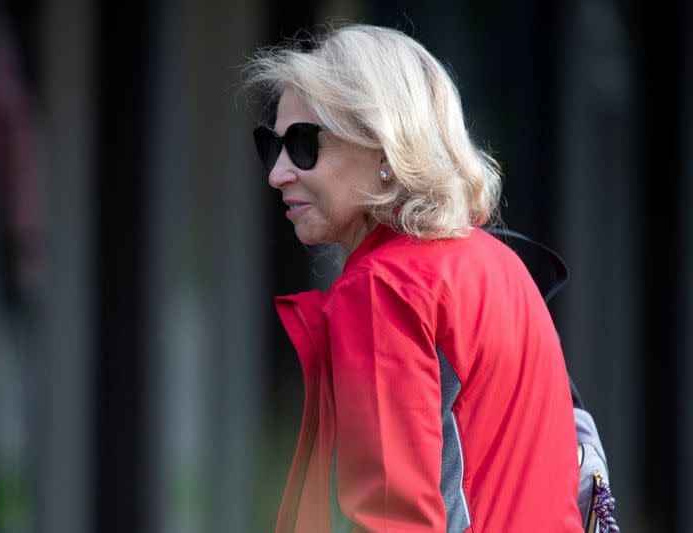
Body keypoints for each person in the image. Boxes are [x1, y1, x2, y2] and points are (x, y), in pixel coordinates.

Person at [245, 24, 583, 532]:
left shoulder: (382, 288)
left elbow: (394, 521)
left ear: (386, 149)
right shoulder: (500, 264)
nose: (278, 173)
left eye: (304, 143)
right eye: (272, 145)